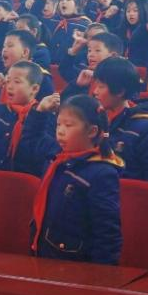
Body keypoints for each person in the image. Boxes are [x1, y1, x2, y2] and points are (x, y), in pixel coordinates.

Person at [29, 95, 122, 265]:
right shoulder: (58, 155)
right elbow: (31, 141)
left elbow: (106, 233)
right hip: (45, 251)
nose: (60, 131)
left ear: (92, 131)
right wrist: (40, 112)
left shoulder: (102, 173)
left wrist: (101, 274)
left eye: (68, 125)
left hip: (73, 262)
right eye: (58, 124)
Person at [0, 61, 57, 176]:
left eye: (17, 82)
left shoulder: (42, 117)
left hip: (22, 181)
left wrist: (39, 115)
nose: (9, 86)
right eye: (8, 80)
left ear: (34, 89)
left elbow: (40, 149)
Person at [88, 56, 148, 186]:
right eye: (95, 86)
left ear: (120, 91)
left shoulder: (147, 127)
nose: (95, 92)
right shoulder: (94, 117)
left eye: (101, 87)